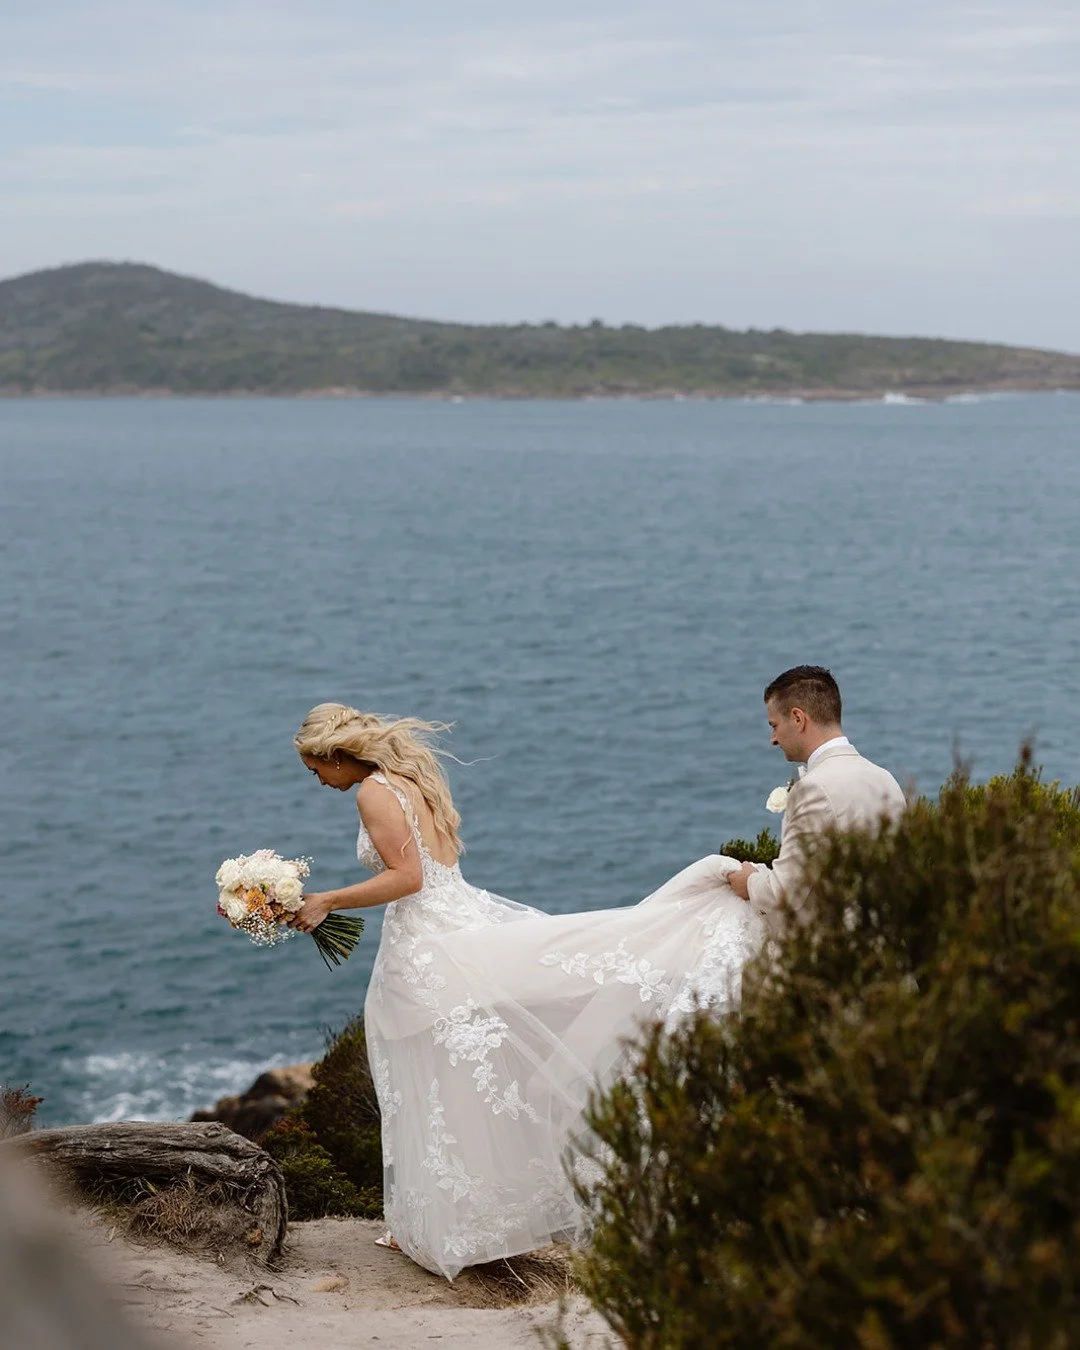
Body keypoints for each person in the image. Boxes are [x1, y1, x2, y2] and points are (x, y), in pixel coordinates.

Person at [289, 702, 763, 1281]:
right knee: (445, 1067)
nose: (318, 781)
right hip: (455, 920)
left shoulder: (372, 792)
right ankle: (445, 1218)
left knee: (425, 1065)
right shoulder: (409, 779)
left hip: (428, 944)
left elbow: (408, 878)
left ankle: (445, 1222)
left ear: (339, 756)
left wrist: (326, 900)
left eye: (317, 769)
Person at [726, 665, 907, 930]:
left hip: (833, 946)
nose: (773, 739)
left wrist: (749, 882)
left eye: (774, 725)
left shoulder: (813, 788)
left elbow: (784, 893)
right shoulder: (885, 779)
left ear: (798, 718)